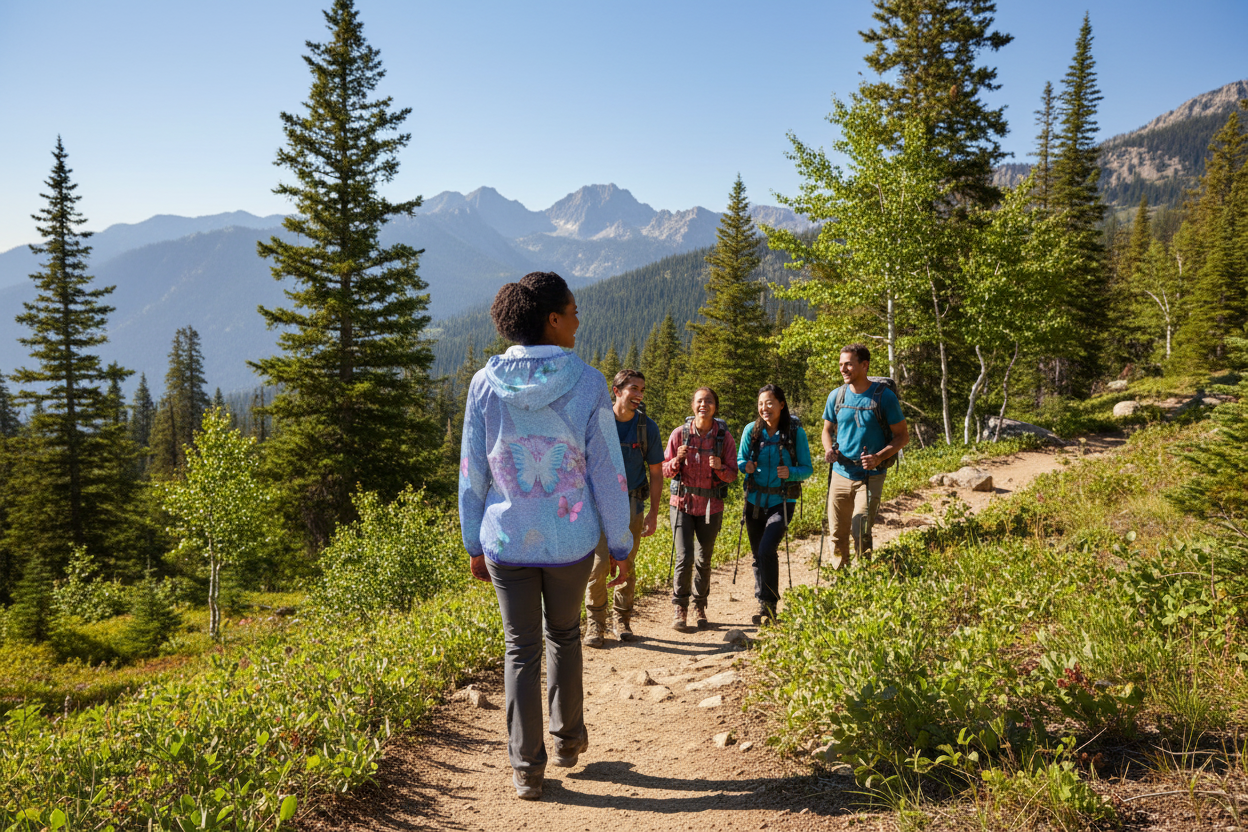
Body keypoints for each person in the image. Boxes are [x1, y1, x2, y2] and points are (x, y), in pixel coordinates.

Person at [458, 272, 633, 801]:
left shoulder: (484, 385)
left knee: (520, 649)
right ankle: (567, 739)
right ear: (552, 319)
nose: (579, 320)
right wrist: (619, 542)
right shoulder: (588, 382)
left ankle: (526, 769)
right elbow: (608, 471)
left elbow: (472, 472)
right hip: (569, 540)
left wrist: (472, 540)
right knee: (565, 635)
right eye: (573, 310)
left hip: (507, 541)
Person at [583, 368, 663, 647]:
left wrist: (653, 512)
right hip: (599, 502)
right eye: (633, 389)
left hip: (632, 503)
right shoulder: (597, 422)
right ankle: (595, 623)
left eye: (642, 390)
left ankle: (622, 618)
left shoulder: (646, 428)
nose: (639, 395)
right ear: (616, 391)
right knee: (600, 562)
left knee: (627, 561)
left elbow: (655, 472)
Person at [820, 343, 909, 569]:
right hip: (840, 472)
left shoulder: (885, 398)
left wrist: (879, 457)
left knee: (860, 529)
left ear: (864, 365)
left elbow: (902, 437)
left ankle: (864, 577)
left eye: (849, 364)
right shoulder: (836, 396)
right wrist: (828, 449)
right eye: (841, 364)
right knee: (837, 533)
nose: (843, 369)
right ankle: (841, 579)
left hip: (871, 475)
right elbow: (826, 430)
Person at [663, 387, 738, 631]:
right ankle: (680, 607)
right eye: (699, 401)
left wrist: (719, 468)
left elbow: (732, 475)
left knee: (704, 559)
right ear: (692, 406)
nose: (703, 405)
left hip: (711, 506)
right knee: (685, 557)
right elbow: (665, 470)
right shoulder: (679, 434)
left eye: (708, 401)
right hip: (682, 504)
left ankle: (700, 606)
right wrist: (676, 461)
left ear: (715, 406)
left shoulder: (723, 438)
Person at [737, 384, 812, 624]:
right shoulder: (752, 430)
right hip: (754, 501)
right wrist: (744, 466)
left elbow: (807, 469)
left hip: (782, 500)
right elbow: (741, 459)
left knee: (766, 549)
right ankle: (765, 607)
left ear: (781, 404)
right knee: (758, 555)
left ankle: (769, 604)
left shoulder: (795, 432)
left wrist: (789, 472)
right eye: (761, 403)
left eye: (769, 402)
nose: (764, 408)